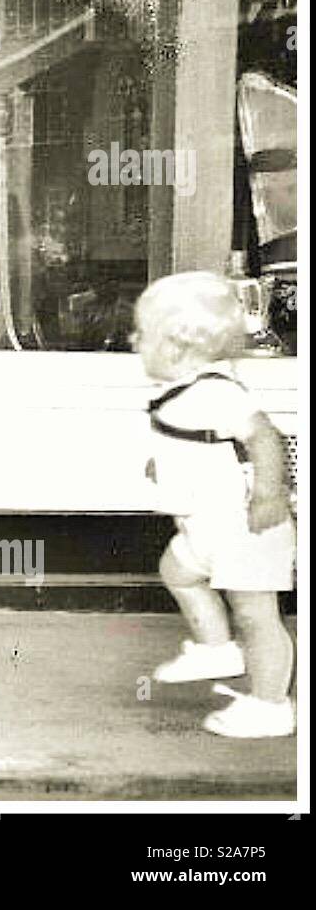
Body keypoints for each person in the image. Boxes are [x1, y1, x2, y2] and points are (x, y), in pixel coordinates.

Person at [133, 271, 296, 738]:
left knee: (256, 614)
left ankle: (270, 705)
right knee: (178, 571)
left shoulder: (218, 391)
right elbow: (190, 438)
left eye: (143, 336)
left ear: (176, 347)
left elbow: (265, 439)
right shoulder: (181, 391)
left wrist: (269, 495)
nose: (134, 342)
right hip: (205, 527)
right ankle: (216, 649)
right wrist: (162, 464)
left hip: (246, 526)